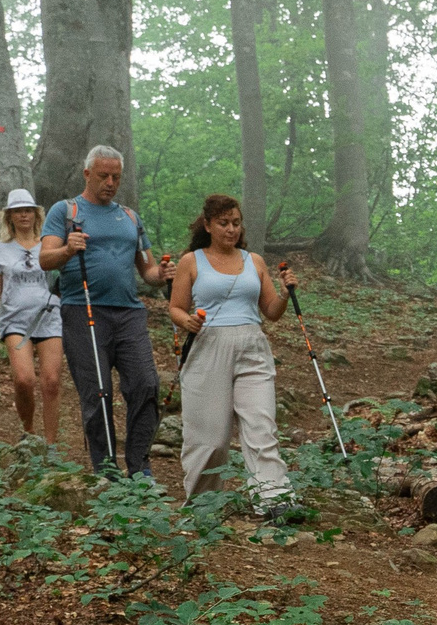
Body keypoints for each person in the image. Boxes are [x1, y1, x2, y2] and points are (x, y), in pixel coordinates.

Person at [39, 145, 170, 476]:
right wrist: (68, 249)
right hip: (82, 309)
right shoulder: (65, 211)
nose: (110, 183)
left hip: (129, 313)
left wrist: (164, 274)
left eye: (116, 177)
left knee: (145, 384)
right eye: (103, 176)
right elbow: (44, 259)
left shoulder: (130, 217)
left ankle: (140, 470)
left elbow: (148, 271)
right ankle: (107, 473)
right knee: (98, 391)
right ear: (87, 174)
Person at [167, 194, 298, 512]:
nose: (231, 229)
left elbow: (271, 311)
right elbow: (176, 308)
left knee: (261, 426)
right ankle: (203, 504)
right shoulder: (191, 261)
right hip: (208, 347)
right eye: (223, 223)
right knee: (210, 438)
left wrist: (284, 293)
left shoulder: (254, 261)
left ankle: (274, 499)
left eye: (236, 223)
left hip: (252, 347)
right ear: (208, 225)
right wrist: (187, 322)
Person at [0, 189, 66, 444]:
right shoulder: (0, 248)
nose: (24, 215)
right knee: (24, 380)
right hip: (14, 319)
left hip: (49, 316)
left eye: (28, 210)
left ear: (36, 214)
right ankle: (28, 431)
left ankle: (50, 445)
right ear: (9, 217)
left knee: (51, 381)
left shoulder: (48, 245)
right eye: (18, 211)